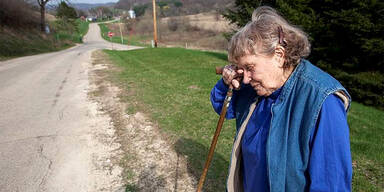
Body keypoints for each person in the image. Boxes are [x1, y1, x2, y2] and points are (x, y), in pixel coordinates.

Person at [210, 6, 352, 192]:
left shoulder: (323, 101)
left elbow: (332, 184)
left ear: (279, 55)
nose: (245, 78)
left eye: (250, 67)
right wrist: (226, 84)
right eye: (241, 69)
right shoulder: (256, 88)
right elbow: (223, 108)